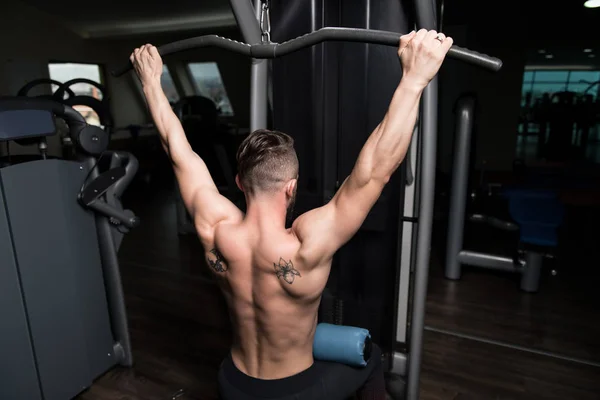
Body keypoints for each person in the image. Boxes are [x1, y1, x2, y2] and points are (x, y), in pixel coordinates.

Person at [130, 28, 452, 400]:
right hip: (294, 392)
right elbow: (375, 171)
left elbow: (177, 148)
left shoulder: (214, 228)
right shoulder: (306, 243)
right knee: (373, 357)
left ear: (238, 181)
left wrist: (152, 82)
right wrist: (414, 79)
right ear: (292, 187)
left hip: (233, 382)